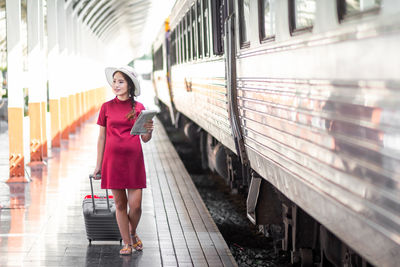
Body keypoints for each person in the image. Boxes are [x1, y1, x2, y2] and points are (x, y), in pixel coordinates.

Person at [93, 66, 154, 255]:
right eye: (114, 81)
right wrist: (98, 165)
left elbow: (144, 139)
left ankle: (132, 232)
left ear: (129, 85)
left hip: (134, 161)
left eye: (120, 81)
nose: (116, 85)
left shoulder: (139, 108)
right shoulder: (106, 107)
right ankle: (127, 243)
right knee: (120, 205)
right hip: (112, 162)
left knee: (136, 206)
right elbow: (102, 138)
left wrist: (149, 130)